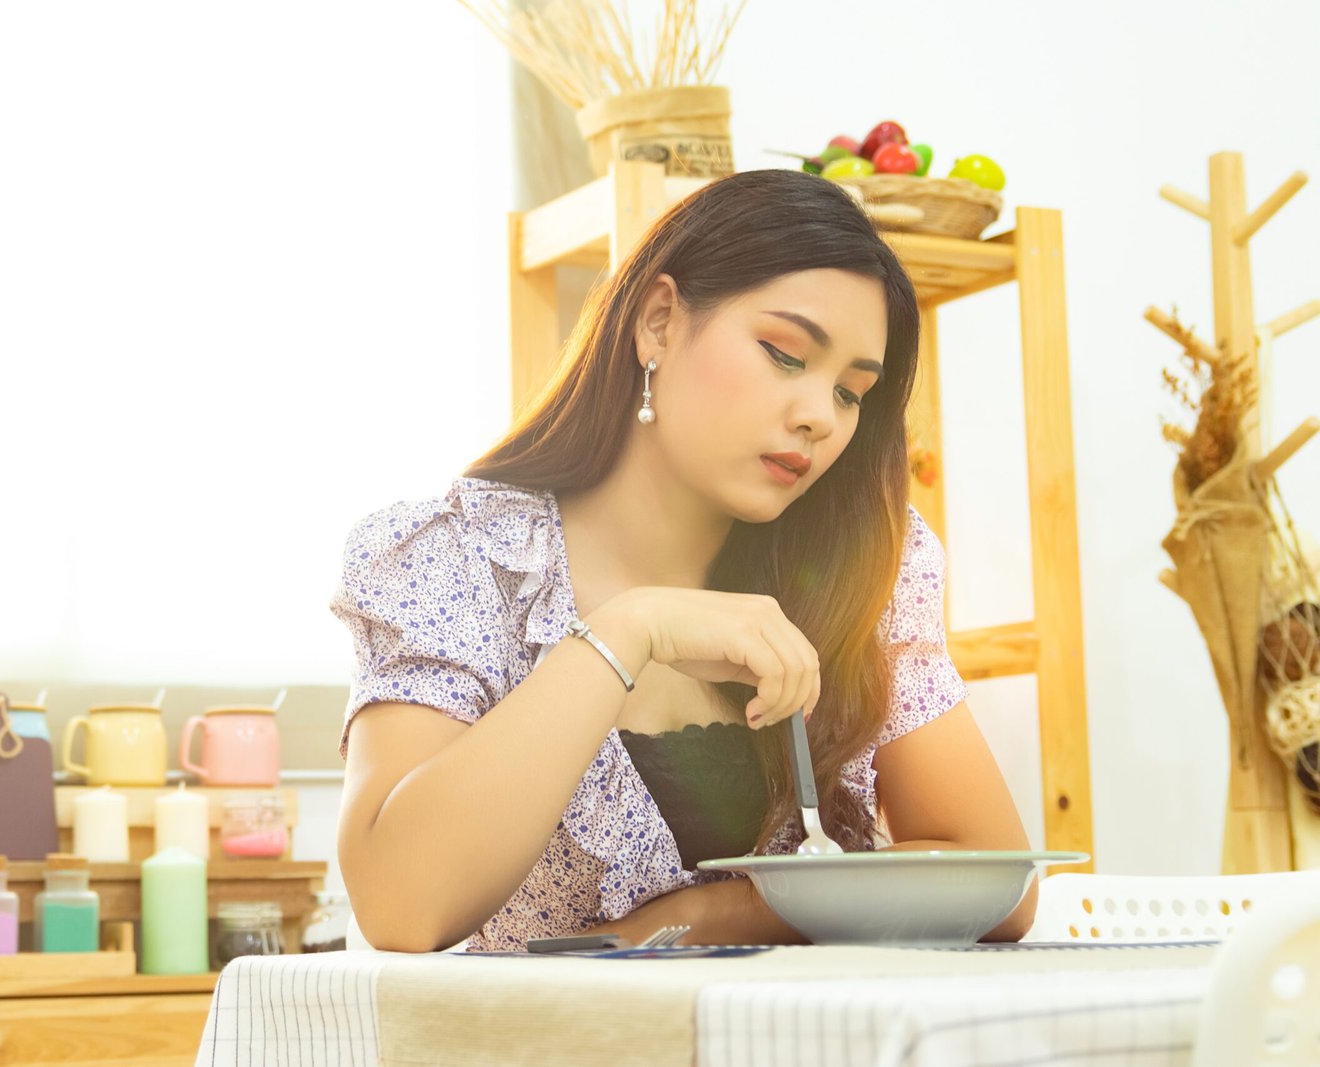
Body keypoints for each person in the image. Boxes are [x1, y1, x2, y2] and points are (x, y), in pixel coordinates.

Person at [329, 168, 1033, 953]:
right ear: (659, 321)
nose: (818, 418)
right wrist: (631, 630)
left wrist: (713, 917)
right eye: (786, 353)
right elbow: (398, 904)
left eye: (850, 392)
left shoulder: (867, 565)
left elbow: (999, 883)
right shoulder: (459, 560)